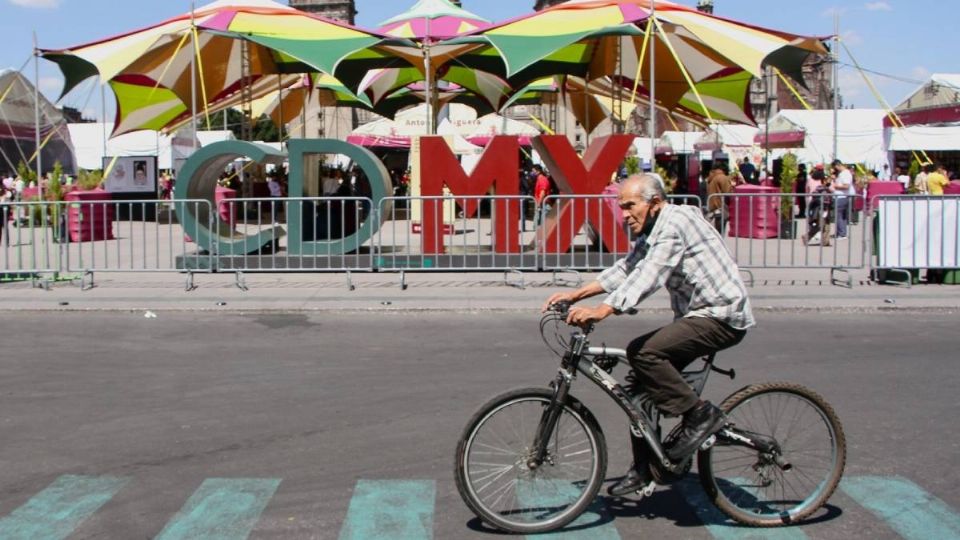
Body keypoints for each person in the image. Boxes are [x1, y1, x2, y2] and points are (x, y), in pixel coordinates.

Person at [542, 174, 755, 497]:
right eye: (621, 207)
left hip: (722, 315)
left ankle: (701, 416)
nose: (624, 214)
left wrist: (603, 310)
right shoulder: (653, 227)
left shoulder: (675, 223)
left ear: (654, 203)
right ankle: (645, 470)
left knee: (643, 352)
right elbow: (628, 268)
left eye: (630, 206)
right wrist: (576, 294)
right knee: (639, 390)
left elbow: (650, 276)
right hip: (696, 315)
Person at [706, 166, 732, 233]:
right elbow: (728, 192)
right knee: (719, 232)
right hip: (720, 206)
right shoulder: (722, 177)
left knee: (716, 231)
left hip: (714, 206)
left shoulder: (712, 177)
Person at [831, 160, 853, 239]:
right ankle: (840, 232)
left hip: (841, 197)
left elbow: (846, 186)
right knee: (841, 216)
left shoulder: (845, 174)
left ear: (837, 165)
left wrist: (835, 186)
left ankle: (842, 233)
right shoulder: (842, 174)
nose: (835, 169)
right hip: (840, 196)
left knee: (839, 216)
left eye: (835, 167)